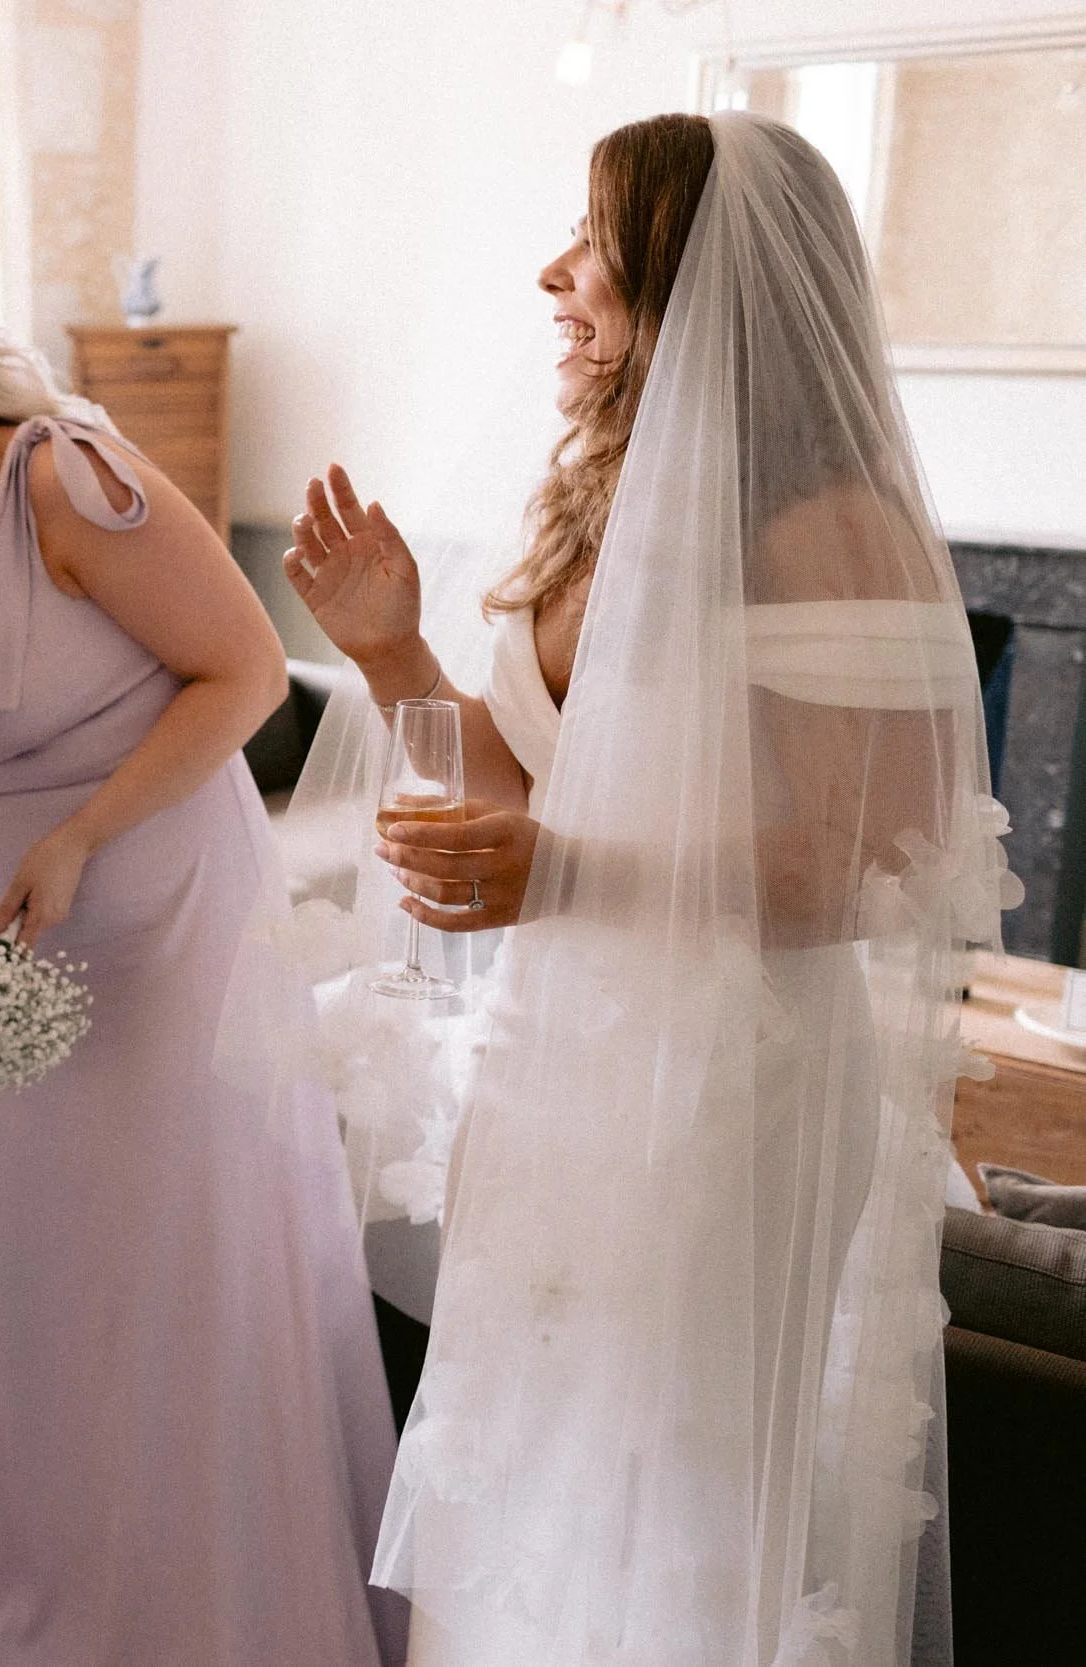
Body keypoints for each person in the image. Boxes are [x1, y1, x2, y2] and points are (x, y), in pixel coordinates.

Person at [289, 112, 1006, 1664]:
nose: (555, 273)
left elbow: (858, 866)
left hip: (741, 1087)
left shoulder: (836, 534)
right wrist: (391, 649)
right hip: (575, 1061)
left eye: (593, 244)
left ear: (692, 279)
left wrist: (562, 872)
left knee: (677, 1486)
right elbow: (549, 782)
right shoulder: (607, 497)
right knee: (537, 1457)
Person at [0, 269, 403, 1666]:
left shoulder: (65, 474)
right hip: (19, 934)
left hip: (163, 911)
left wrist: (80, 835)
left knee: (165, 1273)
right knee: (40, 1285)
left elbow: (245, 673)